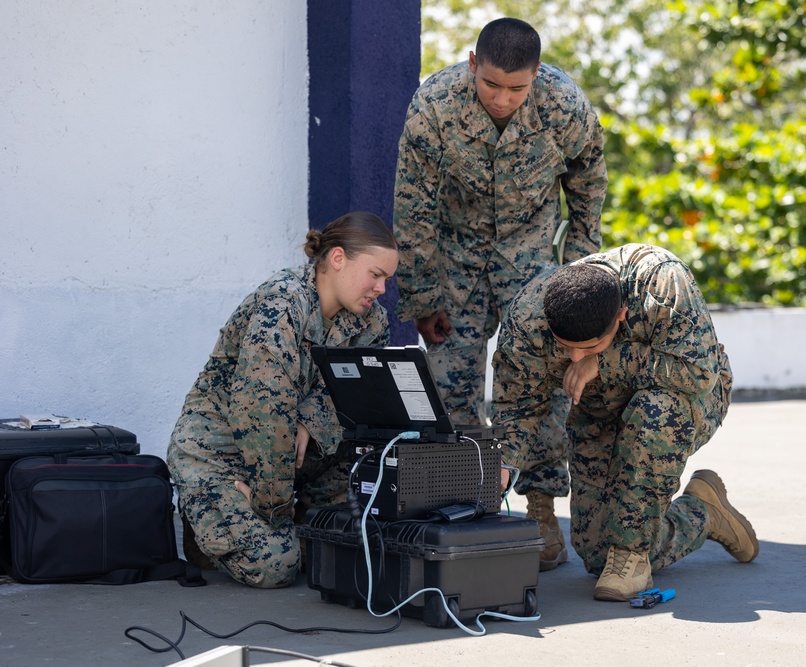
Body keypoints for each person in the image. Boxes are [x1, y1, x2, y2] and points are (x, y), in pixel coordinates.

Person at [392, 17, 607, 570]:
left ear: (537, 74)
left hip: (530, 251)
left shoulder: (564, 105)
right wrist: (421, 296)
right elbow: (413, 204)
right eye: (491, 84)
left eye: (517, 87)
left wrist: (578, 268)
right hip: (455, 252)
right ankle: (472, 505)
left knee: (542, 381)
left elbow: (588, 180)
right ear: (472, 64)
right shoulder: (434, 105)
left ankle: (538, 508)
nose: (503, 98)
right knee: (448, 383)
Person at [491, 243, 758, 601]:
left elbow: (697, 373)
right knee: (599, 555)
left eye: (588, 346)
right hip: (599, 412)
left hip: (683, 402)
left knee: (653, 411)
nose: (574, 358)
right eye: (565, 346)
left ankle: (632, 558)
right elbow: (518, 406)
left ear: (620, 315)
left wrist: (604, 362)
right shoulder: (527, 316)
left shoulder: (661, 283)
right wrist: (504, 465)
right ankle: (703, 513)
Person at [166, 211, 399, 588]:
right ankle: (208, 526)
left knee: (373, 500)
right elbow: (262, 414)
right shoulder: (283, 304)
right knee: (275, 566)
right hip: (223, 450)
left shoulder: (371, 323)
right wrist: (273, 506)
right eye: (375, 275)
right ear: (337, 259)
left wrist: (310, 420)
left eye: (387, 279)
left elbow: (356, 398)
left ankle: (280, 526)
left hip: (293, 453)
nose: (381, 289)